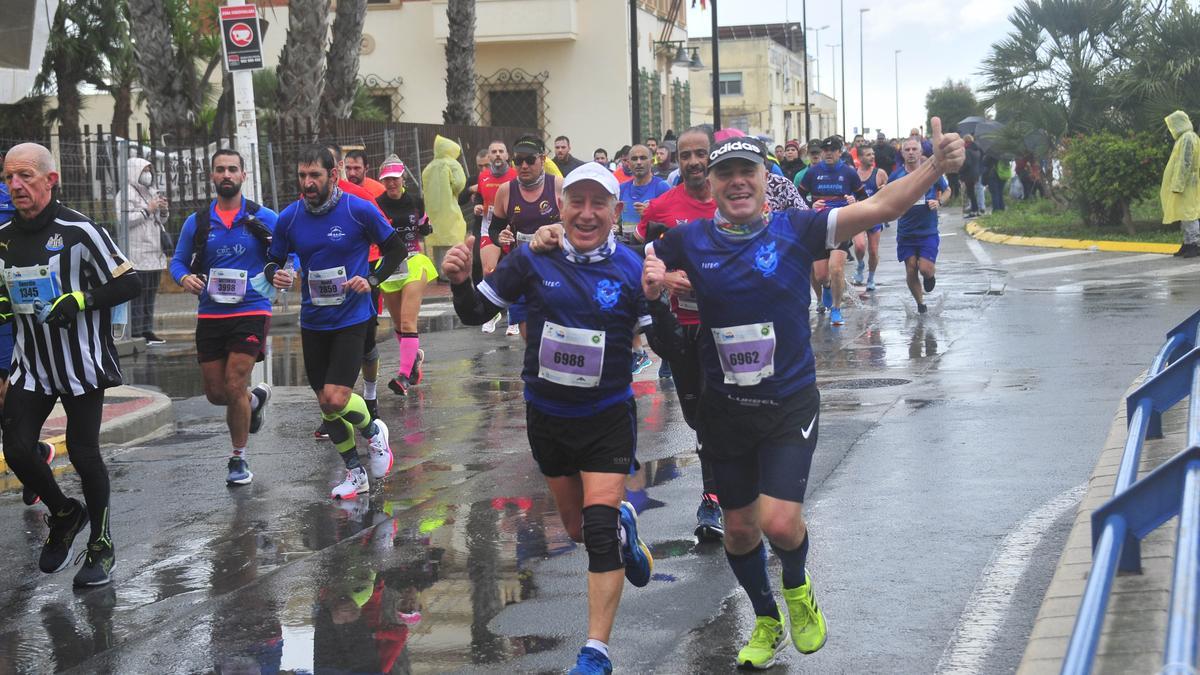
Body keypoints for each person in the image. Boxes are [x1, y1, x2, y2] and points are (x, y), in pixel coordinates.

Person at [642, 124, 964, 669]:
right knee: (740, 531)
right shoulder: (689, 239)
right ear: (713, 184)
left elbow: (882, 206)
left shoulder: (799, 228)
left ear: (767, 179)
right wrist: (645, 272)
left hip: (788, 402)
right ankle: (766, 617)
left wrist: (934, 166)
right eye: (727, 174)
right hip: (724, 407)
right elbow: (621, 254)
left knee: (781, 524)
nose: (738, 182)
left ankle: (798, 589)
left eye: (749, 171)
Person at [442, 162, 656, 675]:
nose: (585, 214)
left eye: (597, 203)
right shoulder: (532, 257)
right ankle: (625, 524)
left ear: (615, 211)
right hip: (548, 415)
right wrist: (459, 279)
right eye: (575, 202)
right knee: (578, 531)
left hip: (606, 415)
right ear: (560, 207)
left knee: (597, 532)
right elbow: (475, 313)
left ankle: (595, 652)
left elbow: (665, 342)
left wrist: (660, 298)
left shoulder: (630, 268)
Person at [1, 142, 144, 586]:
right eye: (8, 177)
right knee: (17, 448)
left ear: (51, 179)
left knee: (83, 453)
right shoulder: (4, 237)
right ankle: (65, 515)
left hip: (82, 363)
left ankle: (101, 544)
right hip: (33, 365)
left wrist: (80, 299)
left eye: (25, 175)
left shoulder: (81, 232)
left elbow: (130, 283)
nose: (15, 185)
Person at [265, 146, 401, 499]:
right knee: (325, 405)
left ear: (333, 175)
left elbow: (396, 249)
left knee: (337, 397)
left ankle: (373, 433)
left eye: (315, 176)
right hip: (313, 320)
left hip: (352, 317)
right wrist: (276, 274)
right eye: (302, 176)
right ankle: (355, 473)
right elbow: (273, 260)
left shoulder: (358, 210)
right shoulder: (290, 218)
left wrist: (370, 281)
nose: (308, 183)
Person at [633, 126, 725, 542]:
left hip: (725, 327)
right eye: (685, 155)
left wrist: (704, 284)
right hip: (679, 327)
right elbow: (648, 259)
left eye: (699, 153)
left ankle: (714, 499)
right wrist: (668, 279)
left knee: (714, 414)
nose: (692, 162)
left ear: (712, 156)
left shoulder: (730, 200)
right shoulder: (662, 207)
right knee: (694, 415)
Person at [170, 148, 278, 485]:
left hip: (252, 308)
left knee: (234, 381)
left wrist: (284, 273)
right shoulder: (198, 222)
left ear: (244, 176)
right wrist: (184, 277)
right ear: (212, 177)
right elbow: (177, 261)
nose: (227, 175)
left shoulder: (263, 217)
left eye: (233, 169)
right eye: (220, 169)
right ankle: (253, 400)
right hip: (212, 313)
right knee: (217, 394)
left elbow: (292, 253)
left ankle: (238, 459)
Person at [488, 135, 563, 340]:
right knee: (528, 331)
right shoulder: (506, 191)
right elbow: (494, 229)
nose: (524, 166)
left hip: (554, 267)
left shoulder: (558, 185)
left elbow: (573, 225)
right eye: (518, 161)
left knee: (555, 326)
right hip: (522, 268)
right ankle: (536, 365)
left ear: (543, 159)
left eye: (530, 160)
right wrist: (500, 237)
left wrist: (555, 230)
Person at [373, 155, 438, 395]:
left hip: (413, 261)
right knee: (399, 323)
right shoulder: (376, 204)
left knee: (409, 320)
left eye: (395, 178)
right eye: (386, 179)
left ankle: (403, 376)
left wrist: (425, 226)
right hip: (389, 264)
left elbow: (423, 224)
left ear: (402, 178)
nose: (391, 183)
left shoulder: (415, 201)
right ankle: (414, 362)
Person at [797, 136, 868, 327]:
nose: (828, 153)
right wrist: (812, 204)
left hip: (840, 225)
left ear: (839, 152)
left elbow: (864, 198)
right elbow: (798, 197)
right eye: (825, 150)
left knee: (836, 268)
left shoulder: (849, 173)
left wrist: (855, 202)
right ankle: (827, 287)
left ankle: (836, 309)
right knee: (820, 276)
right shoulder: (813, 172)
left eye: (832, 150)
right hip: (818, 225)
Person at [617, 145, 669, 375]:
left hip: (654, 252)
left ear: (652, 161)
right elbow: (614, 217)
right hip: (627, 249)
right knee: (625, 300)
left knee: (658, 306)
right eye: (634, 159)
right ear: (627, 162)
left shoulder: (661, 186)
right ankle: (638, 352)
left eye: (643, 158)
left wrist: (650, 212)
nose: (638, 162)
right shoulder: (621, 189)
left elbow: (670, 221)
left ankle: (668, 358)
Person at [891, 137, 951, 314]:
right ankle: (921, 305)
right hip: (906, 232)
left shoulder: (930, 172)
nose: (910, 152)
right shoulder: (896, 176)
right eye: (907, 150)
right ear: (902, 153)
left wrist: (938, 202)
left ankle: (929, 275)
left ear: (920, 152)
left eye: (914, 149)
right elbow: (886, 198)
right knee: (911, 268)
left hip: (927, 230)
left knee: (924, 269)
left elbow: (947, 190)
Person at [119, 157, 169, 345]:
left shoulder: (151, 193)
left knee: (150, 294)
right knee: (138, 295)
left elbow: (161, 221)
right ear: (135, 171)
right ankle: (136, 331)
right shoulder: (125, 194)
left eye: (149, 170)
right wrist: (148, 210)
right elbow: (124, 220)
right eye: (144, 170)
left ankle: (148, 329)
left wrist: (163, 210)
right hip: (137, 253)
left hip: (154, 253)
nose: (148, 174)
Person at [474, 140, 518, 334]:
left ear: (507, 155)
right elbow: (480, 201)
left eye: (501, 151)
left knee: (516, 273)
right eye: (494, 152)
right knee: (489, 270)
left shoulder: (516, 176)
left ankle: (515, 318)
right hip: (489, 228)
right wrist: (478, 207)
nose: (498, 155)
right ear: (489, 157)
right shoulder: (483, 177)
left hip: (512, 228)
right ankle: (492, 314)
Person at [1161, 110, 1200, 258]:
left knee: (1189, 214)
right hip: (1187, 183)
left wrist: (1178, 184)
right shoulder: (1186, 138)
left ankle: (1194, 245)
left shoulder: (1188, 138)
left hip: (1187, 184)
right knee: (1185, 213)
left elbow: (1185, 163)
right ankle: (1188, 243)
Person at [854, 145, 888, 291]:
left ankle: (871, 278)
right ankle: (860, 264)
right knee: (860, 246)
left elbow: (890, 190)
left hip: (874, 217)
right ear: (860, 158)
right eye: (868, 155)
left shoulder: (879, 173)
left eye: (873, 154)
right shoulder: (853, 174)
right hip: (858, 217)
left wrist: (885, 189)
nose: (872, 157)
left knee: (873, 251)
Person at [960, 134, 984, 217]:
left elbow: (967, 163)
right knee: (973, 193)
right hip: (976, 174)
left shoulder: (968, 151)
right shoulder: (977, 150)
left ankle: (974, 210)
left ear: (966, 142)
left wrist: (960, 170)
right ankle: (976, 210)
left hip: (968, 175)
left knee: (971, 193)